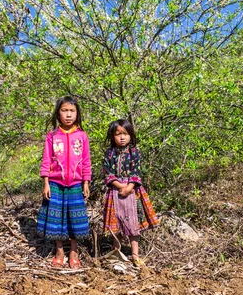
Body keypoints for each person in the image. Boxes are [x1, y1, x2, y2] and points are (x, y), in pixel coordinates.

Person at [37, 96, 91, 269]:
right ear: (58, 113)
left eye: (72, 111)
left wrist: (86, 182)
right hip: (55, 183)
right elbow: (46, 160)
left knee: (74, 219)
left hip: (75, 183)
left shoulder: (82, 136)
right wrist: (45, 182)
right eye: (64, 110)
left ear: (77, 113)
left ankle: (73, 253)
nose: (68, 115)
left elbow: (86, 161)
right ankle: (59, 251)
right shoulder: (52, 136)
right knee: (57, 219)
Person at [102, 119, 159, 266]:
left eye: (125, 134)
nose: (122, 137)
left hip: (133, 192)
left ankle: (135, 256)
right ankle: (116, 253)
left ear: (131, 135)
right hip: (115, 192)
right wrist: (119, 185)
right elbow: (107, 173)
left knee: (134, 223)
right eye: (118, 134)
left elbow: (136, 171)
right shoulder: (109, 154)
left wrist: (128, 187)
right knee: (117, 225)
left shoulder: (134, 153)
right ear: (112, 136)